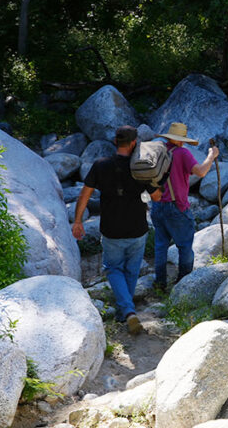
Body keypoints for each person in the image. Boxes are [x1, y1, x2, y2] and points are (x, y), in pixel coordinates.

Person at [72, 126, 160, 335]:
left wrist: (78, 221)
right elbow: (157, 197)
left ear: (115, 142)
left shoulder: (101, 165)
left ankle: (127, 312)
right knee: (131, 271)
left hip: (111, 230)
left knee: (113, 269)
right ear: (133, 143)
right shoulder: (141, 167)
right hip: (137, 228)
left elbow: (84, 195)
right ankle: (127, 313)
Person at [150, 122, 219, 289]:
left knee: (160, 246)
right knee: (185, 246)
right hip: (176, 207)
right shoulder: (182, 153)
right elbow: (201, 171)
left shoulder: (157, 151)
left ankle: (159, 283)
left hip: (157, 205)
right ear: (181, 139)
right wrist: (211, 156)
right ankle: (183, 283)